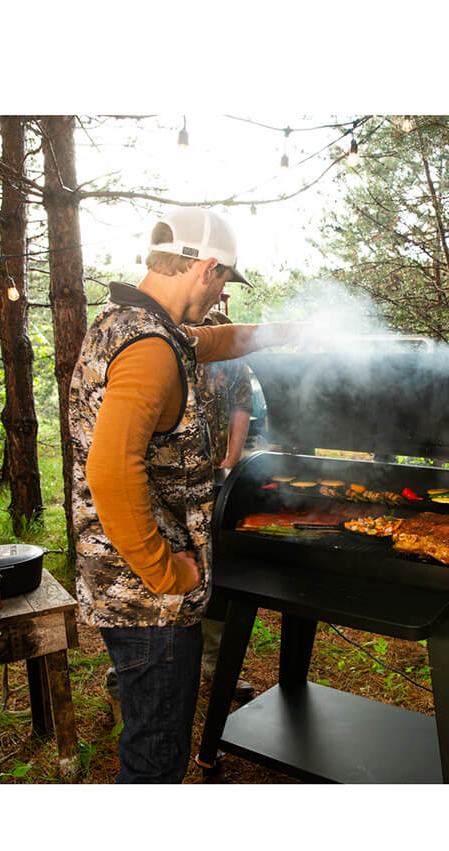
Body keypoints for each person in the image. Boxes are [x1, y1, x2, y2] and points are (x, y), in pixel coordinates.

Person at [69, 206, 305, 784]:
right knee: (157, 753)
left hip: (121, 578)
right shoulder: (149, 351)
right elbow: (110, 471)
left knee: (151, 733)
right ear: (205, 267)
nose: (222, 292)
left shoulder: (131, 324)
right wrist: (165, 570)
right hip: (151, 595)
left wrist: (280, 334)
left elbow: (206, 341)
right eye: (223, 278)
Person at [196, 308, 255, 702]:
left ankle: (216, 668)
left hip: (215, 478)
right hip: (170, 480)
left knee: (217, 571)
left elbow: (241, 405)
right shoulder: (172, 352)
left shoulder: (234, 361)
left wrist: (232, 459)